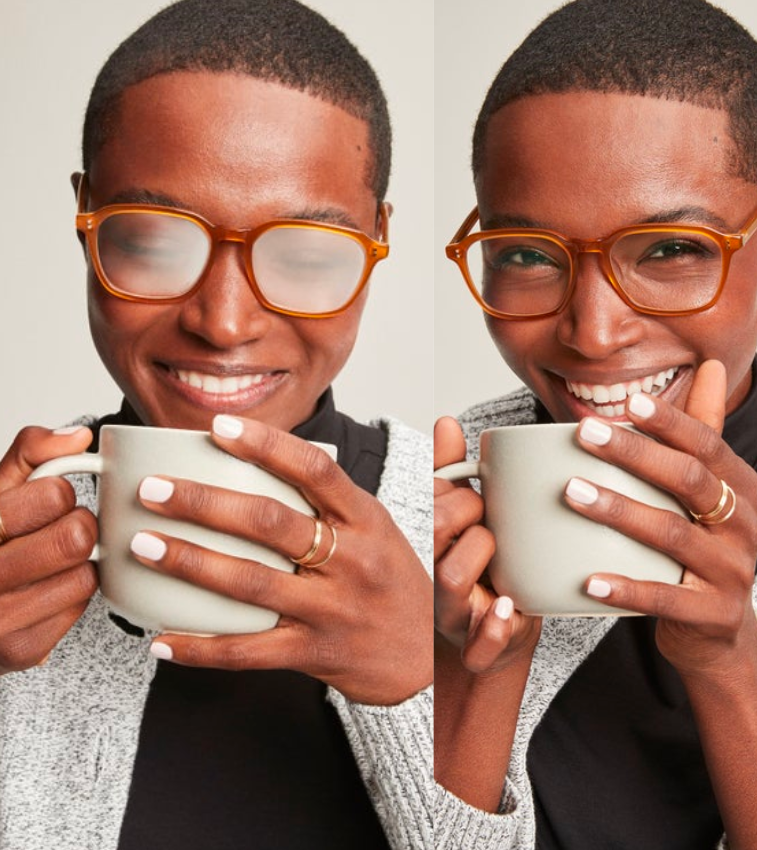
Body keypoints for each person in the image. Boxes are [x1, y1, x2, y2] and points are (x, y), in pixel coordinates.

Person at [0, 2, 432, 848]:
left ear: (378, 239)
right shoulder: (18, 538)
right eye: (155, 240)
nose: (225, 322)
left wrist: (427, 685)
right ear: (87, 218)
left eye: (306, 249)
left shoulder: (483, 530)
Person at [433, 1, 757, 848]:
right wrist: (473, 677)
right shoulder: (408, 504)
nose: (593, 332)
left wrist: (728, 654)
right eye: (527, 254)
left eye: (668, 249)